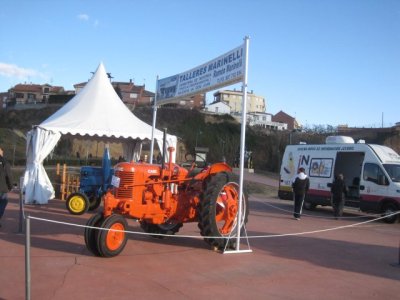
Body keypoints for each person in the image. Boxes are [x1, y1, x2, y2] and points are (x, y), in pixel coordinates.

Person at [0, 147, 13, 228]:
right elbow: (8, 176)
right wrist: (10, 186)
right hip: (2, 188)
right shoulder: (4, 162)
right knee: (3, 202)